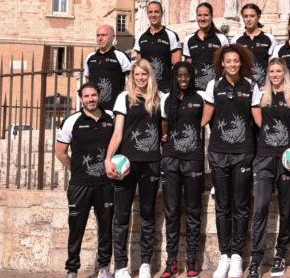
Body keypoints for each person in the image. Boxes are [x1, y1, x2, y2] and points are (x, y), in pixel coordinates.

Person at [200, 44, 262, 278]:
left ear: (241, 62)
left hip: (243, 152)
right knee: (222, 206)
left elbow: (258, 120)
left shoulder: (251, 86)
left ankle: (237, 255)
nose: (233, 64)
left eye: (236, 60)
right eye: (229, 61)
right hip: (218, 152)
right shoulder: (213, 85)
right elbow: (205, 117)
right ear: (222, 63)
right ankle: (224, 255)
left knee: (241, 205)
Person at [247, 59, 290, 278]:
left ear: (285, 73)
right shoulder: (261, 94)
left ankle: (280, 255)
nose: (274, 74)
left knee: (286, 208)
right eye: (271, 71)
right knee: (261, 207)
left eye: (278, 71)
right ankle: (256, 259)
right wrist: (274, 135)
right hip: (264, 158)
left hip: (286, 160)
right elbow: (259, 121)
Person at [104, 60, 162, 278]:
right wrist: (108, 158)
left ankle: (145, 263)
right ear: (132, 76)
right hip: (126, 166)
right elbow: (118, 132)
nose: (140, 78)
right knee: (121, 216)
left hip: (151, 163)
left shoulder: (159, 98)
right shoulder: (123, 98)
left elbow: (163, 129)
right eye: (137, 74)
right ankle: (120, 266)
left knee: (147, 214)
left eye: (144, 74)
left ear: (149, 76)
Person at [55, 82, 115, 278]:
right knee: (76, 228)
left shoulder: (111, 118)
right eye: (87, 96)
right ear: (81, 99)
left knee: (106, 228)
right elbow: (60, 152)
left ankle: (104, 267)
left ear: (99, 96)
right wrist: (78, 170)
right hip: (79, 186)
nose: (91, 99)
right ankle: (72, 270)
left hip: (105, 184)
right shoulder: (72, 121)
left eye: (94, 95)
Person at [159, 62, 207, 278]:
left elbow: (205, 123)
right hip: (171, 159)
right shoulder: (166, 100)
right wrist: (166, 136)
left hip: (193, 160)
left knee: (193, 211)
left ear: (192, 76)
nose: (184, 78)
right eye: (180, 75)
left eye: (187, 74)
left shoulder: (200, 98)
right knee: (171, 211)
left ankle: (191, 261)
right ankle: (171, 263)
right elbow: (164, 126)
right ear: (174, 77)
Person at [134, 1, 182, 92]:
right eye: (150, 12)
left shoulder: (171, 35)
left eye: (156, 12)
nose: (153, 15)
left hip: (165, 87)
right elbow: (139, 65)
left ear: (161, 13)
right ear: (147, 14)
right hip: (146, 87)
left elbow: (177, 66)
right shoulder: (140, 36)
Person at [183, 2, 230, 91]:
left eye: (206, 15)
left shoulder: (221, 38)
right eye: (199, 15)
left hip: (216, 89)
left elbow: (227, 64)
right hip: (194, 90)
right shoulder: (188, 40)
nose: (202, 18)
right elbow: (188, 66)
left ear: (211, 16)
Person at [85, 24, 131, 109]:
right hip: (93, 108)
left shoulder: (120, 56)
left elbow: (131, 79)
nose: (100, 38)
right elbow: (87, 81)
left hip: (114, 108)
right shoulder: (90, 57)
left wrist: (125, 98)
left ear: (113, 37)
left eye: (103, 35)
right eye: (98, 35)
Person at [234, 3, 276, 87]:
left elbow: (271, 64)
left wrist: (267, 85)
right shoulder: (236, 40)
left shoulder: (269, 38)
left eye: (252, 16)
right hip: (242, 86)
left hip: (262, 87)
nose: (248, 19)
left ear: (258, 16)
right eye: (245, 16)